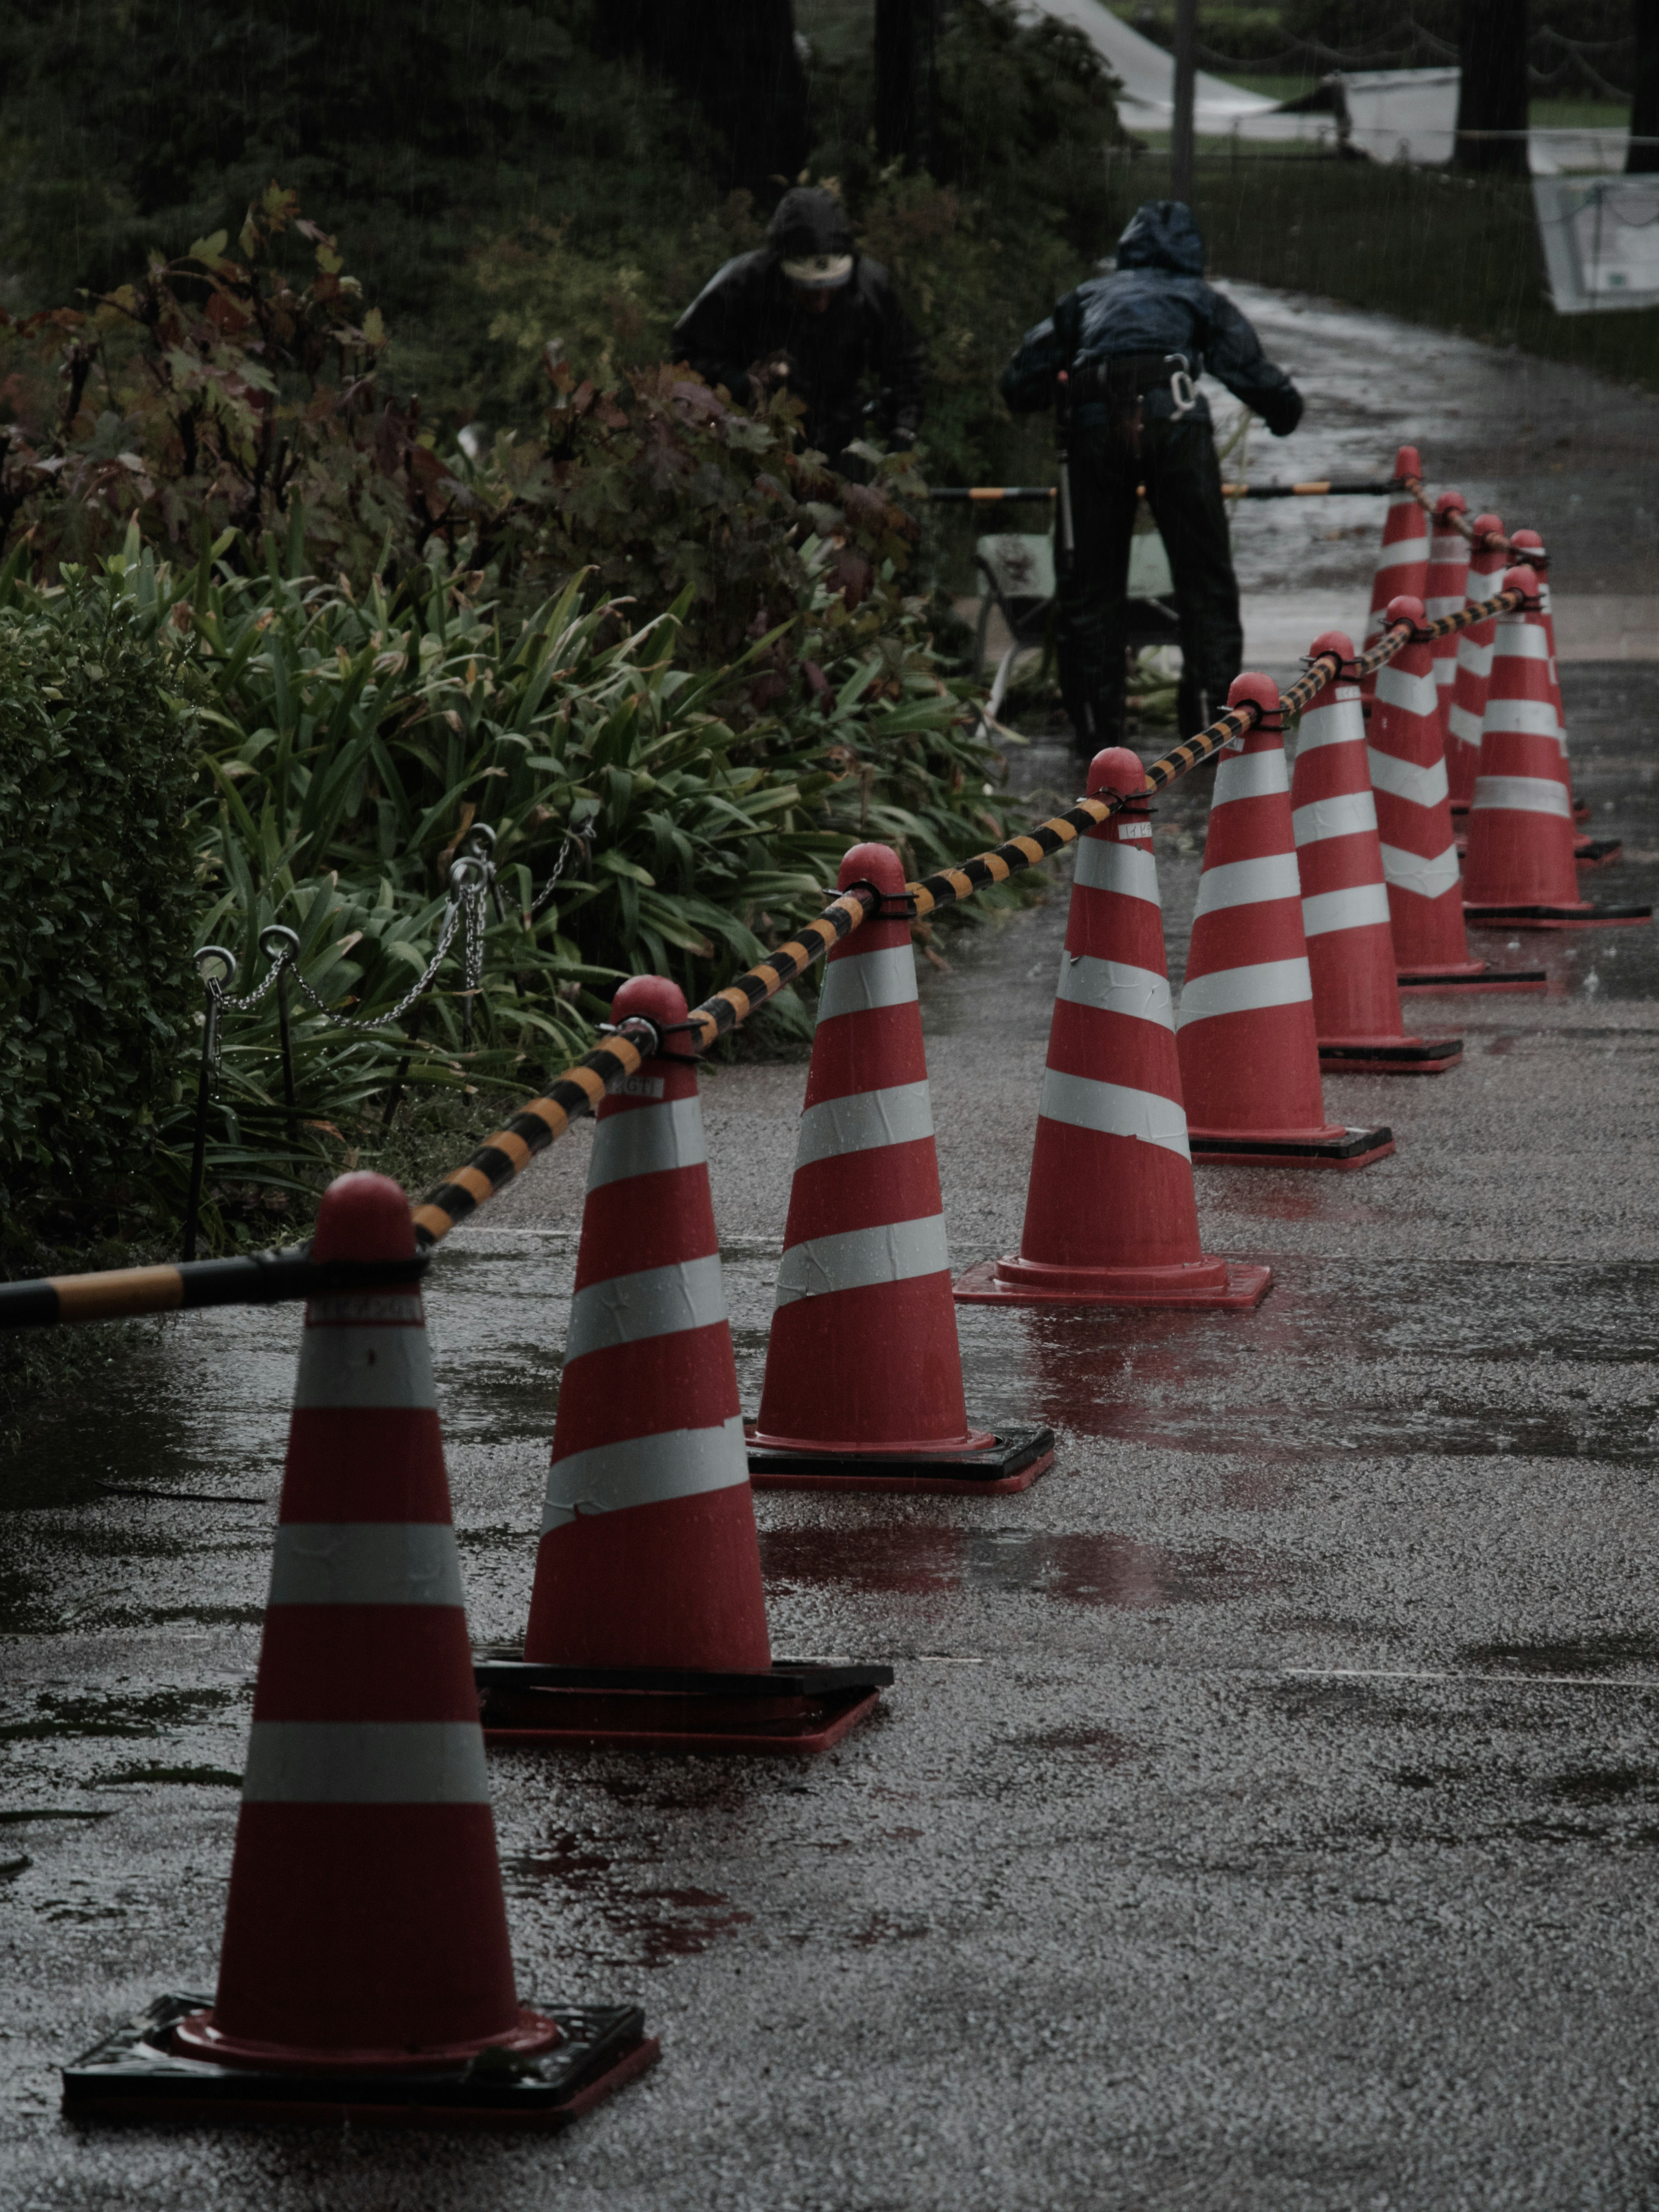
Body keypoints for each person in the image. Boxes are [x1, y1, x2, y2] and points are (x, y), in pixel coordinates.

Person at [1001, 199, 1304, 748]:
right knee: (1204, 581)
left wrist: (1063, 384)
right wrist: (1285, 412)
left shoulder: (1088, 297)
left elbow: (1020, 380)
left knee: (1092, 589)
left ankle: (1099, 738)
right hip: (1177, 417)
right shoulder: (1198, 297)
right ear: (1194, 257)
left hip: (1095, 419)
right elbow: (1250, 371)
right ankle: (1214, 729)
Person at [672, 186, 925, 469]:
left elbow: (907, 368)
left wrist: (902, 433)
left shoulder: (870, 288)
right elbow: (685, 359)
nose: (820, 302)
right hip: (753, 438)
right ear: (783, 270)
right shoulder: (740, 286)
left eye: (830, 287)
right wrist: (741, 384)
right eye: (808, 289)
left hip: (840, 441)